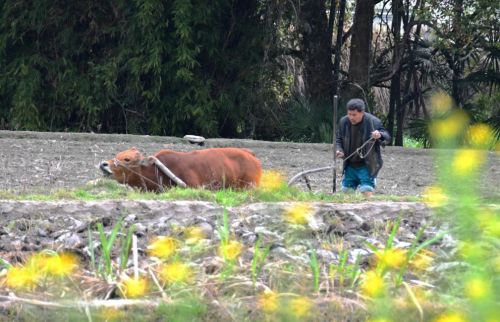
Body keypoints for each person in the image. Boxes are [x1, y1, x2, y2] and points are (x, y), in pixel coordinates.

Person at [336, 98, 391, 197]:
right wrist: (339, 150)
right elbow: (339, 139)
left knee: (366, 191)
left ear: (362, 113)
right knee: (346, 193)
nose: (351, 117)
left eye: (354, 115)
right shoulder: (343, 121)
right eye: (349, 114)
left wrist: (379, 135)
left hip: (367, 165)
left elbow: (387, 137)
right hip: (350, 164)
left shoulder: (373, 122)